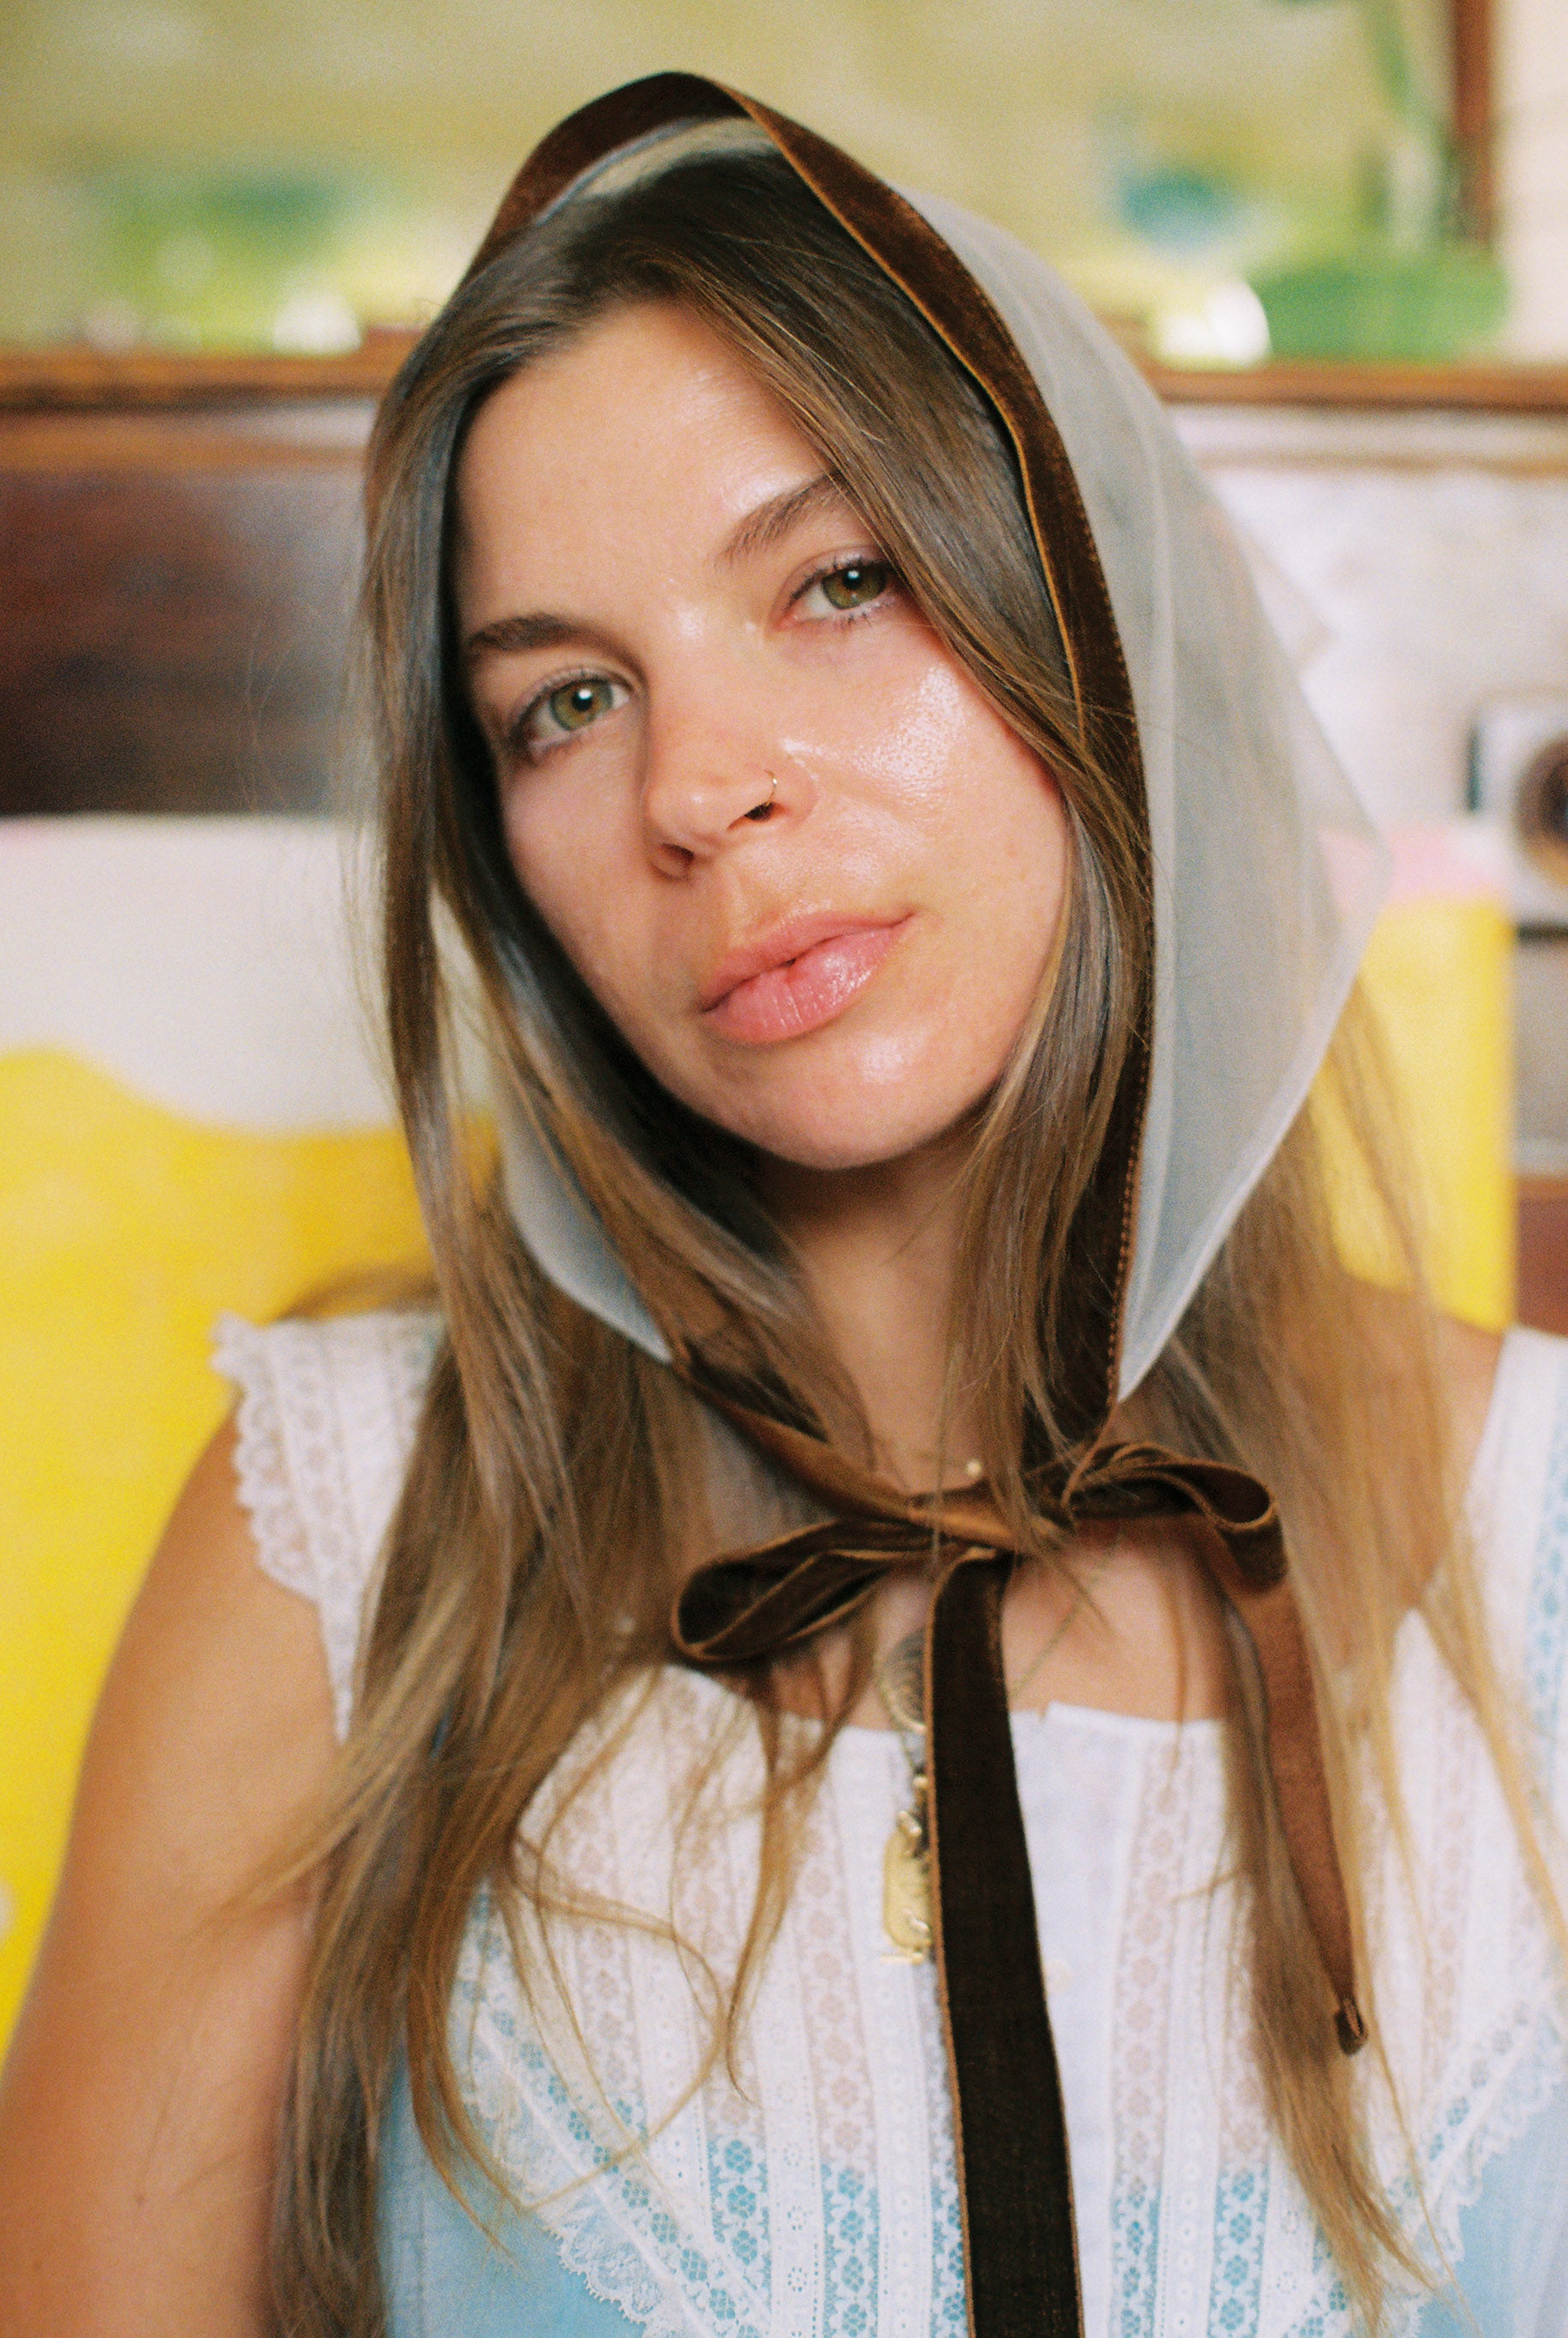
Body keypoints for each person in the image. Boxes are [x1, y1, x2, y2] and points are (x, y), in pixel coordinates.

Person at [1, 71, 1563, 2338]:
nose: (700, 787)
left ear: (1093, 626)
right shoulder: (336, 1537)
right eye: (561, 704)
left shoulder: (1543, 1550)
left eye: (838, 580)